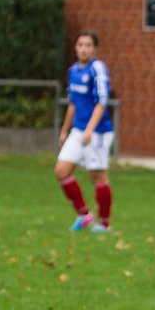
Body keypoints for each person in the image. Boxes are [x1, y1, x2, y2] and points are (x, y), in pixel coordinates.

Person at [56, 31, 114, 232]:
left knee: (97, 176)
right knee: (61, 171)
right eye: (80, 44)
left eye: (88, 45)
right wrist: (64, 131)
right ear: (76, 48)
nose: (84, 49)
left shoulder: (97, 69)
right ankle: (84, 215)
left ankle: (104, 224)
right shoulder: (73, 71)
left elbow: (101, 103)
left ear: (94, 49)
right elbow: (73, 104)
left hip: (97, 132)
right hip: (78, 130)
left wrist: (90, 129)